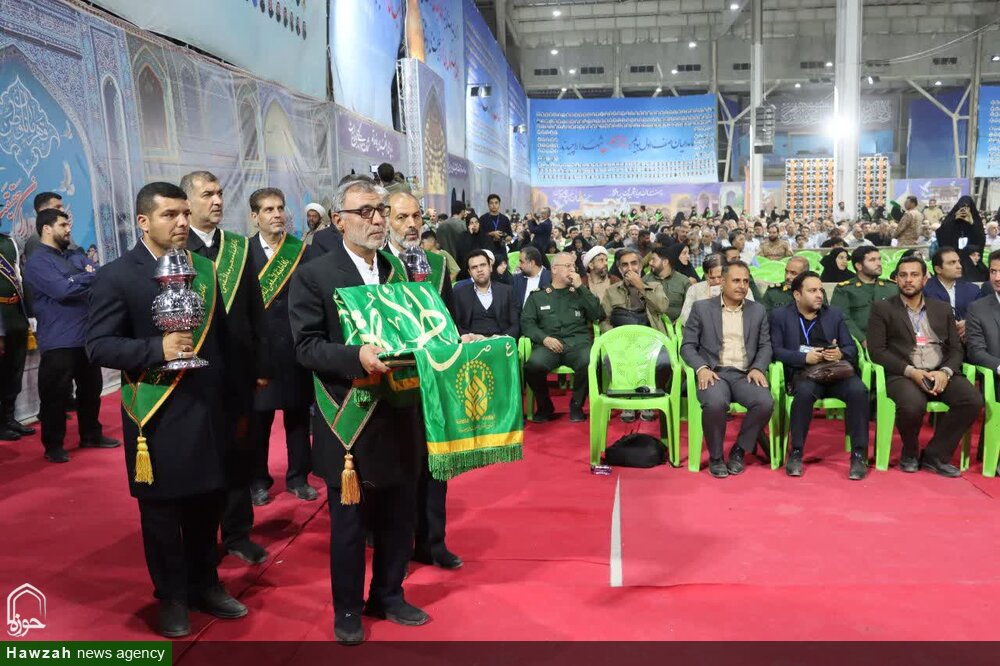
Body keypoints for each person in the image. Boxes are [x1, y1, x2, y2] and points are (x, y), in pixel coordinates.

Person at [87, 182, 248, 638]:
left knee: (208, 503)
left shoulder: (203, 268)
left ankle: (205, 583)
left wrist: (237, 402)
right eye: (169, 215)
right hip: (156, 412)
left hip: (208, 407)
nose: (181, 223)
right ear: (143, 221)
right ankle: (172, 596)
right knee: (161, 514)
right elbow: (98, 345)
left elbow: (223, 341)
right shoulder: (117, 275)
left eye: (184, 213)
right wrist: (157, 348)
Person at [289, 176, 429, 645]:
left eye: (381, 211)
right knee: (350, 525)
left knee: (400, 514)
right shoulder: (314, 274)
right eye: (365, 211)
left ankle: (388, 594)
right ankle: (347, 608)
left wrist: (451, 340)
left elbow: (421, 330)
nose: (377, 220)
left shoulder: (398, 270)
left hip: (400, 410)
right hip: (348, 416)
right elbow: (306, 347)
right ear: (339, 220)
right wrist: (357, 357)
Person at [180, 170, 271, 566]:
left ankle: (237, 533)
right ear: (187, 202)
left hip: (237, 371)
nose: (217, 200)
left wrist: (262, 364)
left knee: (239, 453)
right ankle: (200, 540)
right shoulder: (176, 249)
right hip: (194, 373)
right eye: (207, 194)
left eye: (219, 193)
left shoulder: (237, 247)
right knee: (200, 457)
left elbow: (255, 308)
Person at [381, 190, 462, 571]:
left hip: (432, 377)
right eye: (402, 217)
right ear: (385, 220)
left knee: (435, 464)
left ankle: (432, 542)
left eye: (416, 216)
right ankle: (392, 543)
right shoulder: (375, 263)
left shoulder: (437, 264)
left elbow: (449, 319)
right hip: (390, 379)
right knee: (395, 467)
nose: (412, 224)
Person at [866, 256, 982, 477]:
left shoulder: (941, 308)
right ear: (896, 279)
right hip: (904, 373)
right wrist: (912, 372)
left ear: (925, 279)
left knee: (972, 400)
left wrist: (945, 372)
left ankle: (935, 455)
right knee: (912, 404)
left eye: (914, 275)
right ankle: (910, 452)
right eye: (903, 275)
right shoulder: (882, 308)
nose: (908, 280)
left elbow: (956, 348)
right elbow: (877, 351)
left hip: (939, 370)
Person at [24, 208, 118, 462]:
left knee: (91, 390)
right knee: (55, 396)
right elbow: (62, 290)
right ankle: (53, 446)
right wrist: (86, 277)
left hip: (86, 336)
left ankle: (91, 434)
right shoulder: (38, 262)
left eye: (69, 225)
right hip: (59, 339)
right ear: (47, 229)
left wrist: (78, 278)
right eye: (63, 225)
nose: (69, 229)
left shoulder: (74, 255)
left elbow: (99, 275)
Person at [246, 188, 318, 506]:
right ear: (255, 217)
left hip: (294, 348)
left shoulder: (301, 252)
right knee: (258, 422)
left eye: (280, 208)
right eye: (268, 209)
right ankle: (257, 481)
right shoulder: (242, 254)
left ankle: (299, 478)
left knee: (298, 418)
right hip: (258, 353)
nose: (277, 214)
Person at [769, 271, 869, 480]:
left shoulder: (834, 314)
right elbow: (776, 351)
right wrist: (804, 358)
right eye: (812, 290)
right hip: (804, 373)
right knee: (804, 394)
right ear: (797, 295)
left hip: (835, 372)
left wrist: (840, 353)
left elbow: (851, 347)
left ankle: (859, 455)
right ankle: (796, 452)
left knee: (859, 391)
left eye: (820, 290)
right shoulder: (780, 316)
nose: (819, 295)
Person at [680, 260, 774, 478]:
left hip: (744, 374)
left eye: (745, 281)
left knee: (765, 402)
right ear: (722, 282)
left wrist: (758, 367)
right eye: (736, 280)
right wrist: (701, 368)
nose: (742, 286)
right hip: (714, 372)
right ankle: (716, 458)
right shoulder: (702, 308)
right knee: (715, 403)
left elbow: (765, 345)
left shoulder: (757, 310)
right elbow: (687, 346)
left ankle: (739, 450)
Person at [521, 251, 602, 423]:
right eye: (568, 266)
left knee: (588, 360)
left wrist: (581, 287)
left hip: (577, 344)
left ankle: (576, 405)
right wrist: (544, 339)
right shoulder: (538, 296)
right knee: (532, 366)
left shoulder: (580, 293)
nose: (572, 269)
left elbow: (597, 314)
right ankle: (545, 406)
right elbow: (527, 324)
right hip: (548, 345)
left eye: (573, 266)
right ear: (554, 269)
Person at [601, 249, 671, 422]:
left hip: (651, 341)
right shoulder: (611, 291)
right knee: (611, 359)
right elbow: (604, 320)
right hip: (622, 342)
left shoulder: (654, 286)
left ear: (640, 267)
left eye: (634, 264)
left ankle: (649, 397)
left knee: (664, 361)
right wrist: (614, 340)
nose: (630, 268)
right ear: (619, 269)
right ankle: (627, 399)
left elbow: (662, 308)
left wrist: (641, 287)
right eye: (625, 265)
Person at [0, 211, 32, 441]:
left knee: (15, 369)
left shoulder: (9, 242)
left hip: (15, 314)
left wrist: (28, 314)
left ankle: (9, 417)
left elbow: (19, 278)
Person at [830, 246, 898, 343]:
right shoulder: (845, 289)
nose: (879, 263)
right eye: (872, 260)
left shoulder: (892, 287)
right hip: (858, 343)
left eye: (879, 259)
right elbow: (842, 318)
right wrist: (862, 339)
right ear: (859, 266)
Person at [453, 249, 519, 339]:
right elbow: (457, 325)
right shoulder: (460, 294)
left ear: (490, 267)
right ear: (469, 272)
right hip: (473, 343)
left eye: (483, 265)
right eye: (474, 267)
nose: (479, 270)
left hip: (502, 342)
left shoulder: (507, 291)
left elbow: (515, 324)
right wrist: (469, 337)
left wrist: (503, 338)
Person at [923, 246, 979, 341]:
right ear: (938, 269)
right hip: (936, 341)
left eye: (958, 261)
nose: (959, 266)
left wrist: (968, 323)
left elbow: (982, 315)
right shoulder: (925, 290)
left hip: (969, 341)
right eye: (952, 263)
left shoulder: (973, 290)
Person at [936, 196, 986, 277]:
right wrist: (953, 220)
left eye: (967, 208)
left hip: (971, 262)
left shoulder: (976, 220)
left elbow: (980, 240)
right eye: (962, 207)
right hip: (953, 259)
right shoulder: (950, 219)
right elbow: (941, 235)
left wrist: (972, 222)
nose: (964, 210)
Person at [646, 245, 692, 323]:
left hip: (678, 326)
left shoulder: (683, 281)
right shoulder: (646, 280)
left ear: (665, 262)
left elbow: (689, 308)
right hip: (652, 325)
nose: (650, 263)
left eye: (653, 260)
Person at [678, 254, 727, 325]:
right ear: (705, 275)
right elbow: (684, 318)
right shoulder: (694, 290)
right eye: (712, 278)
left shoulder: (738, 289)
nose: (717, 281)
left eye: (720, 277)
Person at [479, 193, 512, 261]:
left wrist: (502, 239)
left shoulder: (505, 219)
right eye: (491, 203)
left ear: (499, 204)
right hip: (487, 251)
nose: (494, 205)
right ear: (488, 205)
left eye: (496, 203)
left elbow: (510, 236)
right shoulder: (483, 218)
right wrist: (492, 234)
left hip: (501, 251)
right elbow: (480, 235)